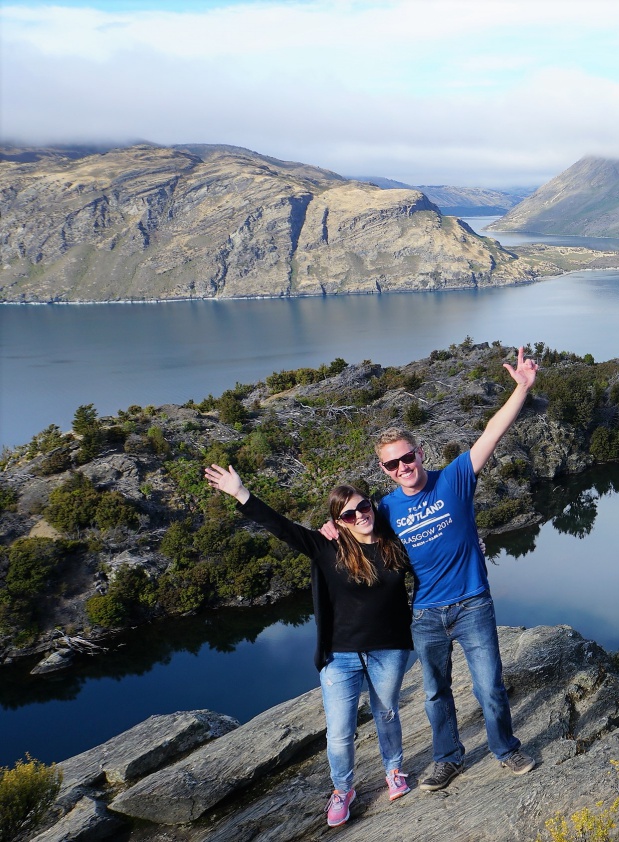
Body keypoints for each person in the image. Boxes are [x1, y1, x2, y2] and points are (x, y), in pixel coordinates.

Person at [328, 343, 540, 791]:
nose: (403, 466)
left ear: (420, 453)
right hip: (425, 613)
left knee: (489, 687)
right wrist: (332, 529)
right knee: (434, 693)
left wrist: (520, 390)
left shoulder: (455, 478)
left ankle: (505, 749)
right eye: (393, 463)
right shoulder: (384, 509)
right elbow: (356, 525)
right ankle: (448, 758)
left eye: (408, 457)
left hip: (472, 603)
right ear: (384, 470)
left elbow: (492, 432)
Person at [204, 464, 414, 828]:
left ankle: (393, 771)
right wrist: (240, 493)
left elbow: (434, 557)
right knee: (340, 732)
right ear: (339, 521)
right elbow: (282, 528)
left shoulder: (395, 543)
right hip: (341, 656)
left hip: (389, 649)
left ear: (372, 505)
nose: (360, 515)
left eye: (364, 506)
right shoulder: (326, 548)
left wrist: (471, 549)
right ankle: (343, 790)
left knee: (387, 714)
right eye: (348, 514)